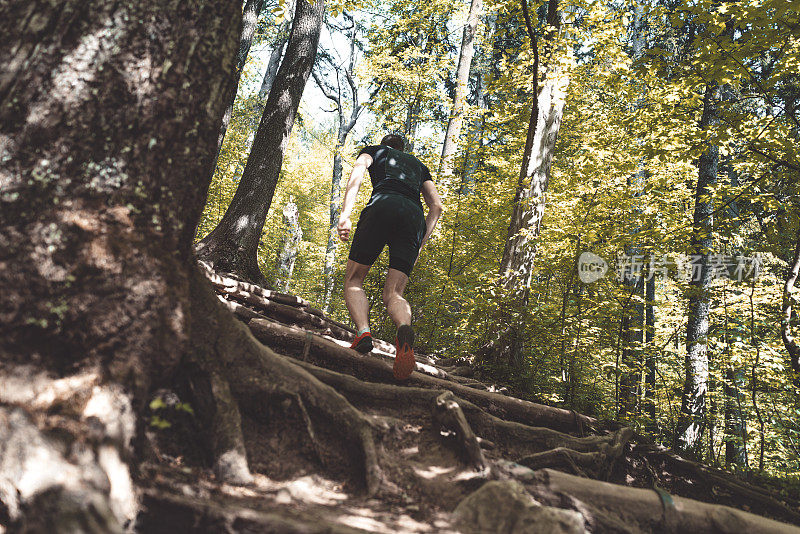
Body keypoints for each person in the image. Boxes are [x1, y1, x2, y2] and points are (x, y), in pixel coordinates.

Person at [337, 134, 443, 380]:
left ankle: (363, 333)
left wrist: (345, 214)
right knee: (394, 293)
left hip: (383, 205)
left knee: (354, 280)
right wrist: (418, 245)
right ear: (403, 148)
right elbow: (436, 206)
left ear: (385, 145)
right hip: (414, 217)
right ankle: (404, 330)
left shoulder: (374, 151)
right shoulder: (420, 166)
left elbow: (358, 171)